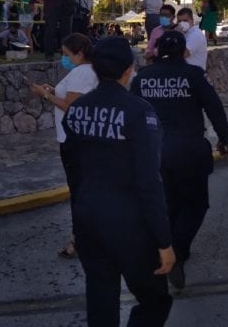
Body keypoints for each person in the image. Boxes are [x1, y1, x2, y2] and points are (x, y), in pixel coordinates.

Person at [61, 36, 175, 326]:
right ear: (128, 70)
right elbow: (149, 182)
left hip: (87, 218)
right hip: (129, 224)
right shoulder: (140, 113)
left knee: (101, 298)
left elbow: (74, 168)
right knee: (155, 299)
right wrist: (164, 241)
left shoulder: (75, 111)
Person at [131, 30, 228, 290]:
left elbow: (130, 113)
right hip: (190, 149)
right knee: (196, 204)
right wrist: (224, 138)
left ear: (158, 50)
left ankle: (168, 249)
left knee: (169, 203)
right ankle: (176, 250)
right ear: (182, 51)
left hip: (153, 152)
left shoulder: (142, 78)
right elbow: (214, 107)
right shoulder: (194, 75)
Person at [29, 33, 98, 259]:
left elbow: (71, 106)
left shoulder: (81, 73)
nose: (63, 58)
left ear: (79, 54)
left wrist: (45, 95)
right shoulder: (87, 72)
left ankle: (80, 239)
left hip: (74, 141)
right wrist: (52, 91)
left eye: (66, 54)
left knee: (79, 193)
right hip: (80, 139)